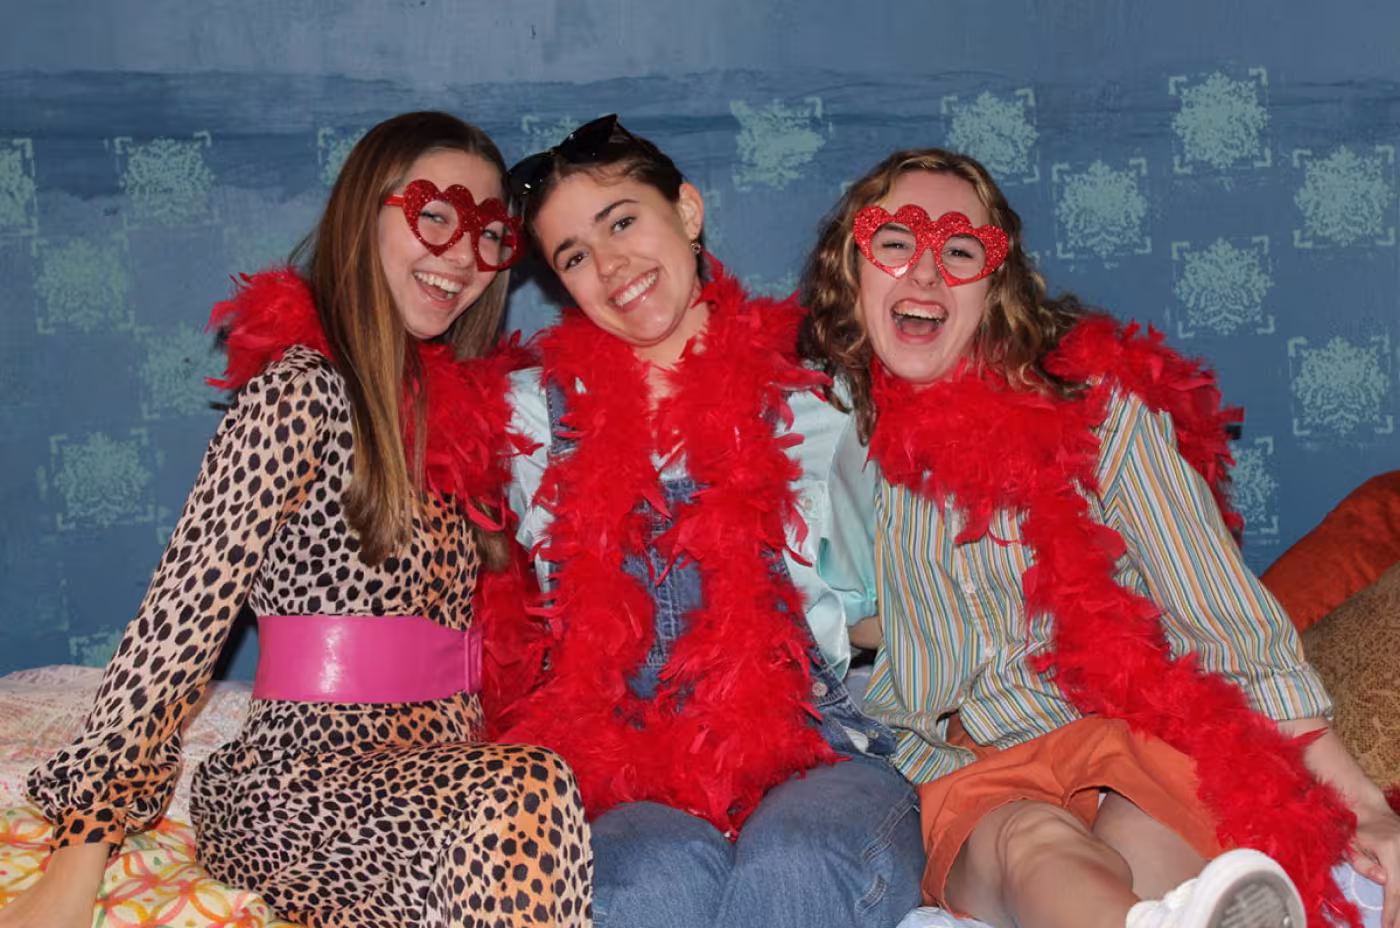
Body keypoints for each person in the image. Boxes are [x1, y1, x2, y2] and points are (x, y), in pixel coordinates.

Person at [0, 111, 592, 928]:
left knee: (536, 785)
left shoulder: (465, 415)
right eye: (435, 212)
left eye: (491, 234)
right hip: (298, 785)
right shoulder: (301, 392)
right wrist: (79, 856)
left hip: (439, 782)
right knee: (529, 788)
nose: (462, 255)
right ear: (366, 209)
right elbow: (181, 617)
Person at [797, 147, 1400, 928]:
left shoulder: (1100, 410)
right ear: (855, 268)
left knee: (1135, 840)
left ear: (994, 283)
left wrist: (1360, 804)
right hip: (971, 765)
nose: (925, 272)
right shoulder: (837, 436)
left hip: (1128, 738)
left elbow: (1222, 618)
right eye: (895, 241)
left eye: (958, 248)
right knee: (1031, 841)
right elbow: (842, 614)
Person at [478, 114, 924, 928]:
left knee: (795, 864)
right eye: (574, 255)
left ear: (686, 210)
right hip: (630, 776)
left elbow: (880, 618)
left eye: (623, 221)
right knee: (648, 885)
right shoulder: (529, 421)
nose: (611, 266)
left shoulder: (817, 403)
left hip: (809, 758)